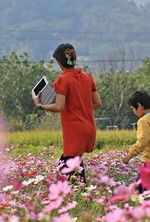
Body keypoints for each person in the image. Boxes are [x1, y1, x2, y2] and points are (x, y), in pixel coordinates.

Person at [32, 43, 102, 182]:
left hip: (75, 130)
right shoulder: (87, 77)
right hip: (88, 128)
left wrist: (40, 105)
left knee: (69, 169)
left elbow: (59, 107)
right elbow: (97, 104)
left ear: (59, 62)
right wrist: (80, 107)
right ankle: (79, 197)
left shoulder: (62, 79)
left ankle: (82, 199)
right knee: (69, 165)